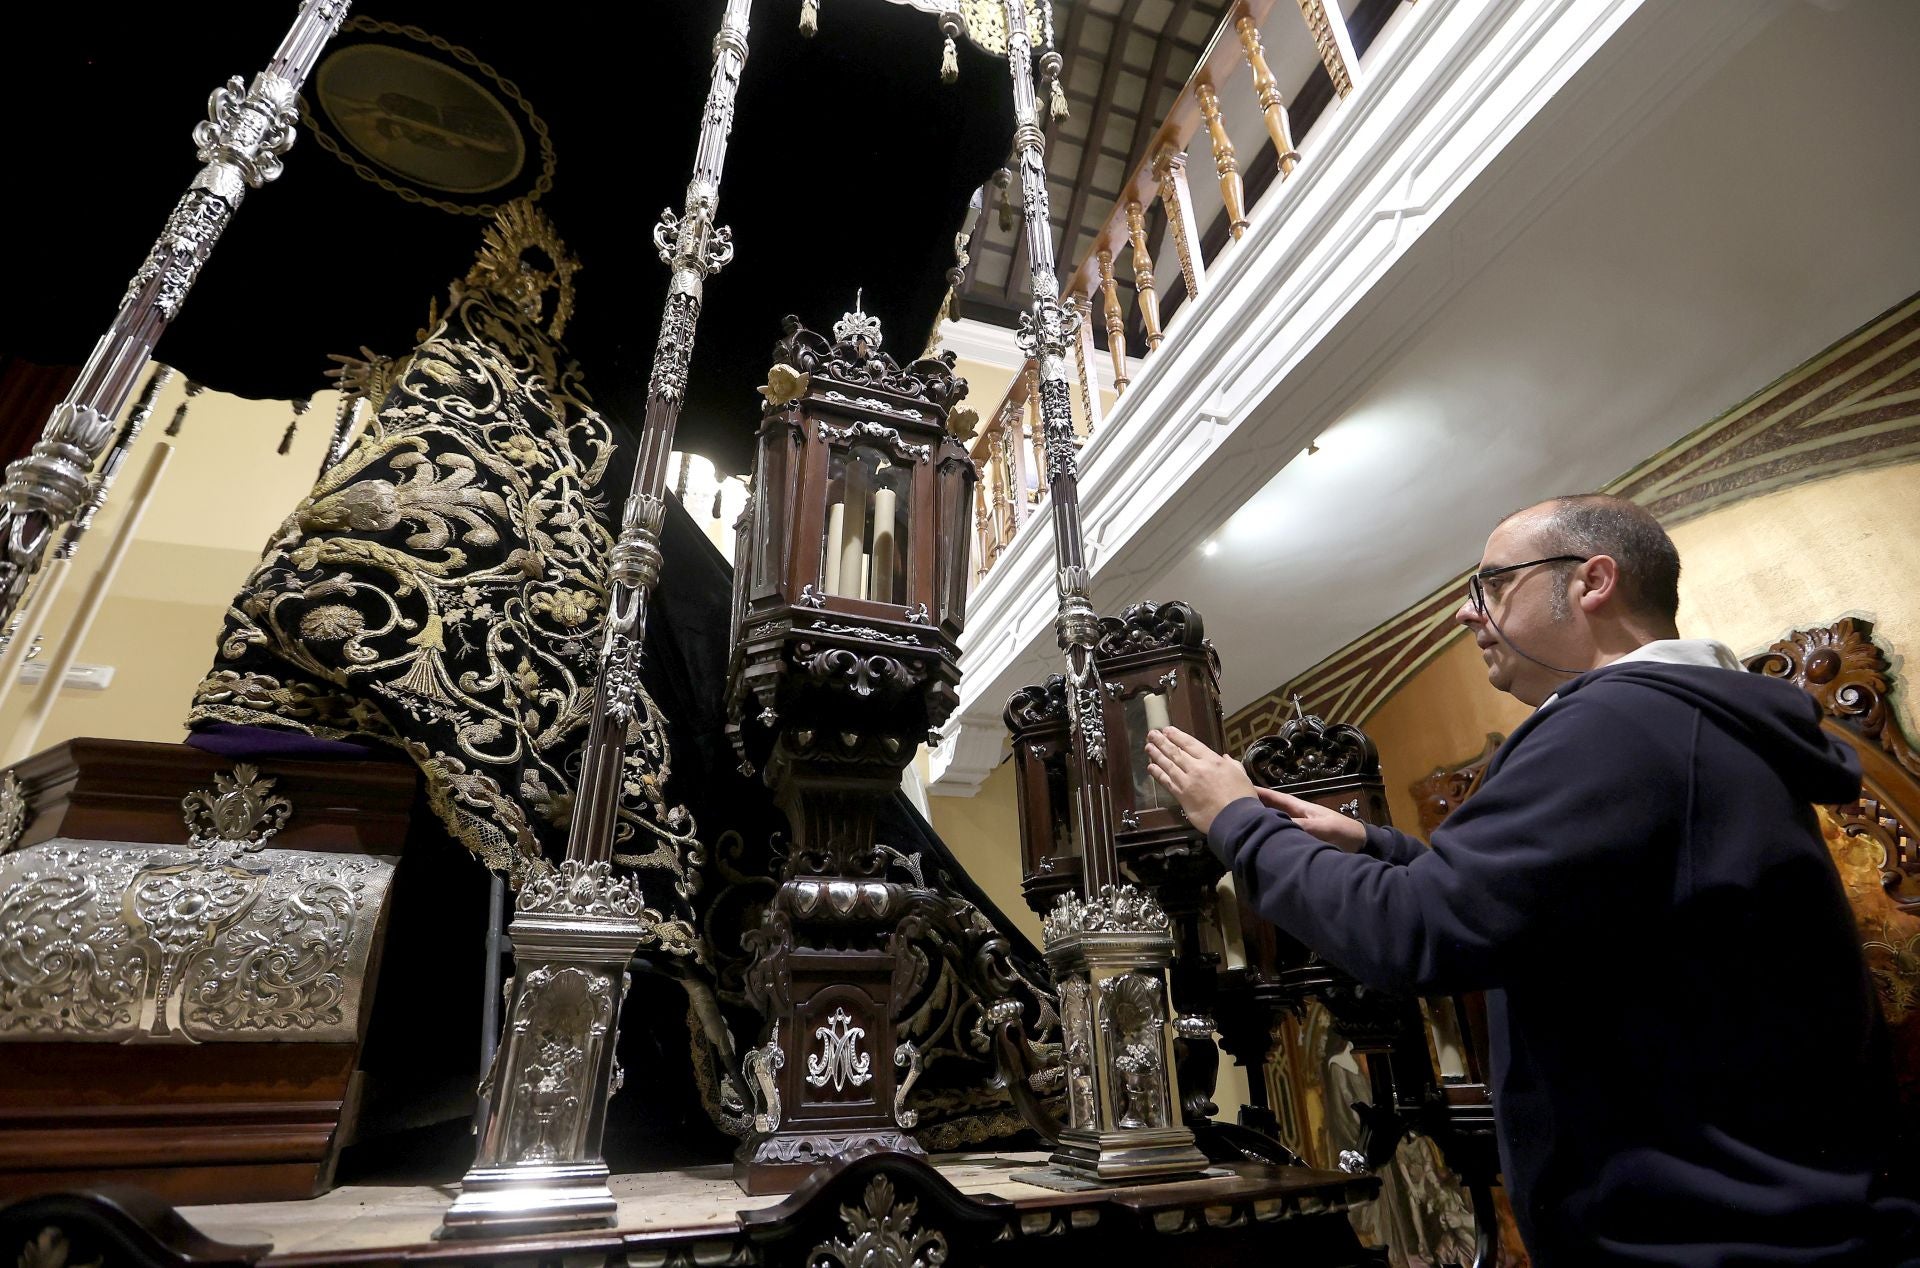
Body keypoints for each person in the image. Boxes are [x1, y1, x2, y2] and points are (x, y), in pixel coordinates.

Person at [1144, 494, 1917, 1266]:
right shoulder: (1679, 720)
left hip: (1713, 1243)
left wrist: (1234, 821)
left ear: (1593, 581)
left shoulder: (1615, 726)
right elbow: (1563, 910)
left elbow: (1411, 935)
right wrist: (1378, 847)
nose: (1466, 613)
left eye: (1493, 584)